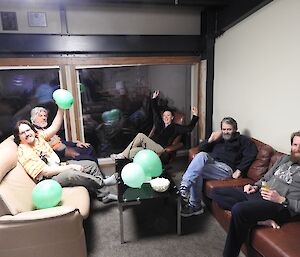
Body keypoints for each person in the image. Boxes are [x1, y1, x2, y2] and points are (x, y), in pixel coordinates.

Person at [211, 131, 300, 257]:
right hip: (261, 194)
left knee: (239, 209)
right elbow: (266, 177)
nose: (297, 149)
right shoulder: (284, 159)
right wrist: (255, 186)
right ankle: (260, 220)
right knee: (216, 191)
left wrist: (281, 199)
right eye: (295, 145)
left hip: (280, 206)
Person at [14, 106, 117, 203]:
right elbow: (45, 172)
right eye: (23, 133)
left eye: (28, 130)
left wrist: (61, 108)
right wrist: (71, 166)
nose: (27, 134)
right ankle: (103, 182)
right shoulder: (24, 151)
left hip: (58, 166)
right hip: (47, 180)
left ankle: (105, 195)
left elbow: (54, 127)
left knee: (91, 165)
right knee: (72, 174)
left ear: (32, 130)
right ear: (19, 137)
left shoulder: (38, 137)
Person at [179, 117, 258, 217]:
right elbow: (200, 148)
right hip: (212, 162)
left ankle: (193, 202)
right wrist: (210, 140)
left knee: (196, 171)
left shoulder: (242, 140)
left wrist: (240, 170)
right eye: (224, 129)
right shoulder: (219, 138)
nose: (226, 132)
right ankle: (186, 188)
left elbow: (251, 154)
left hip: (225, 168)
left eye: (229, 129)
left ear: (235, 129)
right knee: (201, 155)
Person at [111, 90, 199, 159]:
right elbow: (155, 112)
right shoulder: (159, 123)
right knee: (133, 151)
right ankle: (122, 162)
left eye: (168, 115)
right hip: (150, 146)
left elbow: (189, 128)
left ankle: (121, 155)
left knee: (140, 136)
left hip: (160, 148)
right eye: (164, 115)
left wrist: (195, 115)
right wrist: (154, 99)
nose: (166, 117)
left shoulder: (175, 127)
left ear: (172, 117)